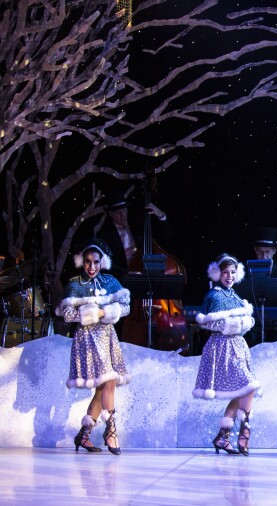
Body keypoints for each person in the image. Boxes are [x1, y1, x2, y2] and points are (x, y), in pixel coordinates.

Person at [57, 238, 131, 455]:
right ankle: (111, 431)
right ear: (82, 262)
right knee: (108, 382)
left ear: (102, 262)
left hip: (107, 336)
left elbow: (125, 307)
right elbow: (67, 314)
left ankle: (84, 435)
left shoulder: (110, 282)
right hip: (87, 339)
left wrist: (104, 312)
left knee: (103, 387)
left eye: (96, 262)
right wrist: (91, 313)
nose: (92, 267)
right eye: (88, 262)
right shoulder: (75, 284)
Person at [192, 254, 261, 456]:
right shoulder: (214, 295)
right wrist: (233, 324)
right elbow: (208, 322)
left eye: (232, 272)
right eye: (225, 272)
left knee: (242, 390)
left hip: (238, 346)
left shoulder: (234, 295)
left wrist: (243, 323)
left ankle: (223, 436)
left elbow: (248, 319)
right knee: (248, 386)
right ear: (218, 274)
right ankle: (245, 429)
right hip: (222, 347)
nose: (229, 276)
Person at [99, 190, 169, 279]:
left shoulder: (139, 226)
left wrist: (161, 215)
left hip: (147, 275)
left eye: (124, 210)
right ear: (111, 214)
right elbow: (106, 264)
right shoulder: (105, 236)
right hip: (122, 281)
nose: (123, 215)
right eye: (118, 212)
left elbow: (166, 236)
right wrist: (127, 273)